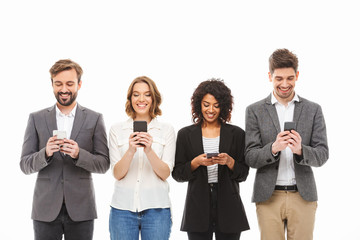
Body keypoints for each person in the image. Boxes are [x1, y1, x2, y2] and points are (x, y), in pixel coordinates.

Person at [20, 59, 110, 240]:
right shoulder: (36, 118)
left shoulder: (94, 118)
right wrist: (45, 153)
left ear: (79, 84)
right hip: (45, 209)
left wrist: (79, 154)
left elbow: (103, 164)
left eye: (69, 83)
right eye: (58, 83)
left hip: (82, 209)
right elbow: (25, 165)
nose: (64, 89)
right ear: (51, 84)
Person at [245, 48, 329, 240]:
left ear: (297, 76)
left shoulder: (313, 109)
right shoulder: (254, 110)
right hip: (268, 197)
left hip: (303, 197)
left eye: (290, 78)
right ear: (270, 76)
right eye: (279, 78)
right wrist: (273, 148)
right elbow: (249, 156)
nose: (284, 84)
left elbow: (323, 154)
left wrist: (301, 150)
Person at [172, 79, 250, 240]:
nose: (211, 110)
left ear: (223, 106)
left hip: (229, 205)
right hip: (197, 206)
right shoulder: (185, 134)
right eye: (206, 104)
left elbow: (243, 174)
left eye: (216, 105)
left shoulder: (237, 134)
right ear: (199, 105)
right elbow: (177, 174)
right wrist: (196, 163)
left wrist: (230, 162)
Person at [108, 76, 175, 240]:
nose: (141, 99)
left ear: (154, 98)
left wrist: (149, 151)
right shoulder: (117, 129)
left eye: (147, 94)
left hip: (157, 209)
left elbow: (165, 173)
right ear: (130, 98)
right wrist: (131, 150)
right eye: (136, 94)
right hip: (122, 209)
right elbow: (117, 173)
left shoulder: (166, 130)